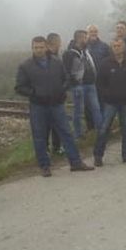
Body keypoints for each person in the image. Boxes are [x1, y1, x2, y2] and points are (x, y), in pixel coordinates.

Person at [15, 36, 94, 176]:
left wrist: (62, 90)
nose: (38, 50)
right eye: (35, 47)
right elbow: (19, 87)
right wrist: (34, 93)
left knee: (67, 133)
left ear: (46, 47)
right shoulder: (25, 66)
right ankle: (45, 166)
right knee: (39, 136)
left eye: (41, 47)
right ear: (32, 48)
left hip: (57, 105)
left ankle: (76, 162)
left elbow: (66, 79)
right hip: (38, 106)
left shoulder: (57, 62)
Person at [93, 38, 126, 166]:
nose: (117, 48)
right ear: (111, 48)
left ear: (124, 47)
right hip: (110, 103)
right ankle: (98, 155)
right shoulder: (105, 64)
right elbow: (99, 83)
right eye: (114, 45)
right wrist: (106, 95)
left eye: (119, 45)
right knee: (104, 129)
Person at [63, 29, 102, 139]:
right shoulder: (70, 53)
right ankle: (78, 133)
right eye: (85, 38)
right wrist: (73, 83)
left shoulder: (85, 51)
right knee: (78, 110)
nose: (87, 39)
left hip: (91, 83)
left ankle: (100, 130)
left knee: (96, 108)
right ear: (79, 38)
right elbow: (67, 71)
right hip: (78, 85)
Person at [45, 32, 64, 155]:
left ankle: (56, 147)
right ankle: (48, 148)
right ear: (55, 42)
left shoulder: (57, 57)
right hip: (47, 97)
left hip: (57, 96)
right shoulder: (47, 59)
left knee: (56, 123)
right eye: (59, 42)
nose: (61, 44)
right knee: (47, 124)